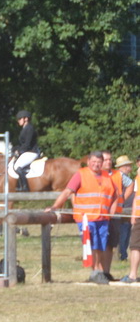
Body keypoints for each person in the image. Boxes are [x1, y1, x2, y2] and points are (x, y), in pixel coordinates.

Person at [50, 150, 120, 284]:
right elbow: (67, 192)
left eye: (99, 162)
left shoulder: (107, 177)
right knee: (92, 244)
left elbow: (115, 195)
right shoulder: (80, 175)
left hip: (103, 218)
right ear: (88, 162)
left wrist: (112, 210)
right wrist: (55, 207)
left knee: (101, 245)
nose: (96, 165)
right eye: (93, 162)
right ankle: (95, 271)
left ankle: (99, 271)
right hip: (86, 218)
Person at [10, 109, 41, 191]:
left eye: (20, 119)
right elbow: (22, 145)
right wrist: (14, 149)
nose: (18, 121)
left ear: (26, 119)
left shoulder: (29, 128)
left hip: (31, 152)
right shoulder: (25, 129)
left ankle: (24, 187)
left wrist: (19, 151)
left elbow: (27, 144)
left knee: (17, 166)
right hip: (27, 152)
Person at [113, 156, 135, 268]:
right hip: (121, 208)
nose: (129, 167)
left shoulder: (124, 177)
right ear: (122, 167)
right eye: (127, 165)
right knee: (123, 232)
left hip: (124, 208)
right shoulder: (121, 177)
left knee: (126, 232)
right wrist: (122, 200)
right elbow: (131, 186)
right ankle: (122, 255)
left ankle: (123, 255)